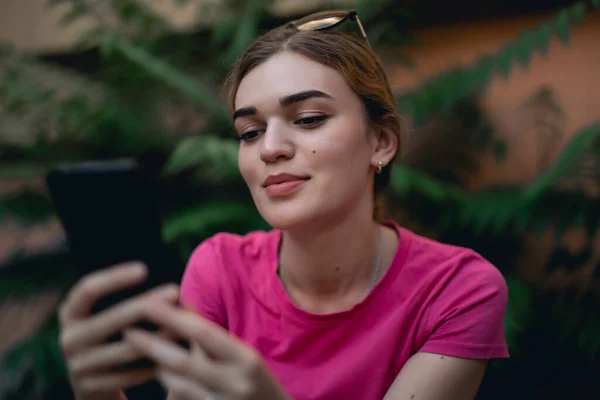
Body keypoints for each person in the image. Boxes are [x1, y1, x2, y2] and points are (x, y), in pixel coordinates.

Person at [57, 9, 509, 400]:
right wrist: (96, 390)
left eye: (308, 119)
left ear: (381, 141)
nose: (270, 148)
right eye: (249, 132)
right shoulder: (219, 270)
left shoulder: (457, 292)